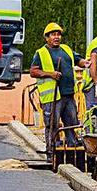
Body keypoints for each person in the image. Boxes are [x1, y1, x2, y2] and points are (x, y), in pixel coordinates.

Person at [30, 22, 80, 153]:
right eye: (53, 35)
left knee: (72, 123)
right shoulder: (41, 53)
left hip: (68, 94)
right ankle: (52, 150)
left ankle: (72, 150)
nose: (56, 37)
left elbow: (77, 59)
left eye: (58, 34)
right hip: (53, 97)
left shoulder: (66, 49)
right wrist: (50, 74)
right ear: (47, 38)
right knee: (52, 124)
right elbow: (33, 71)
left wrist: (85, 63)